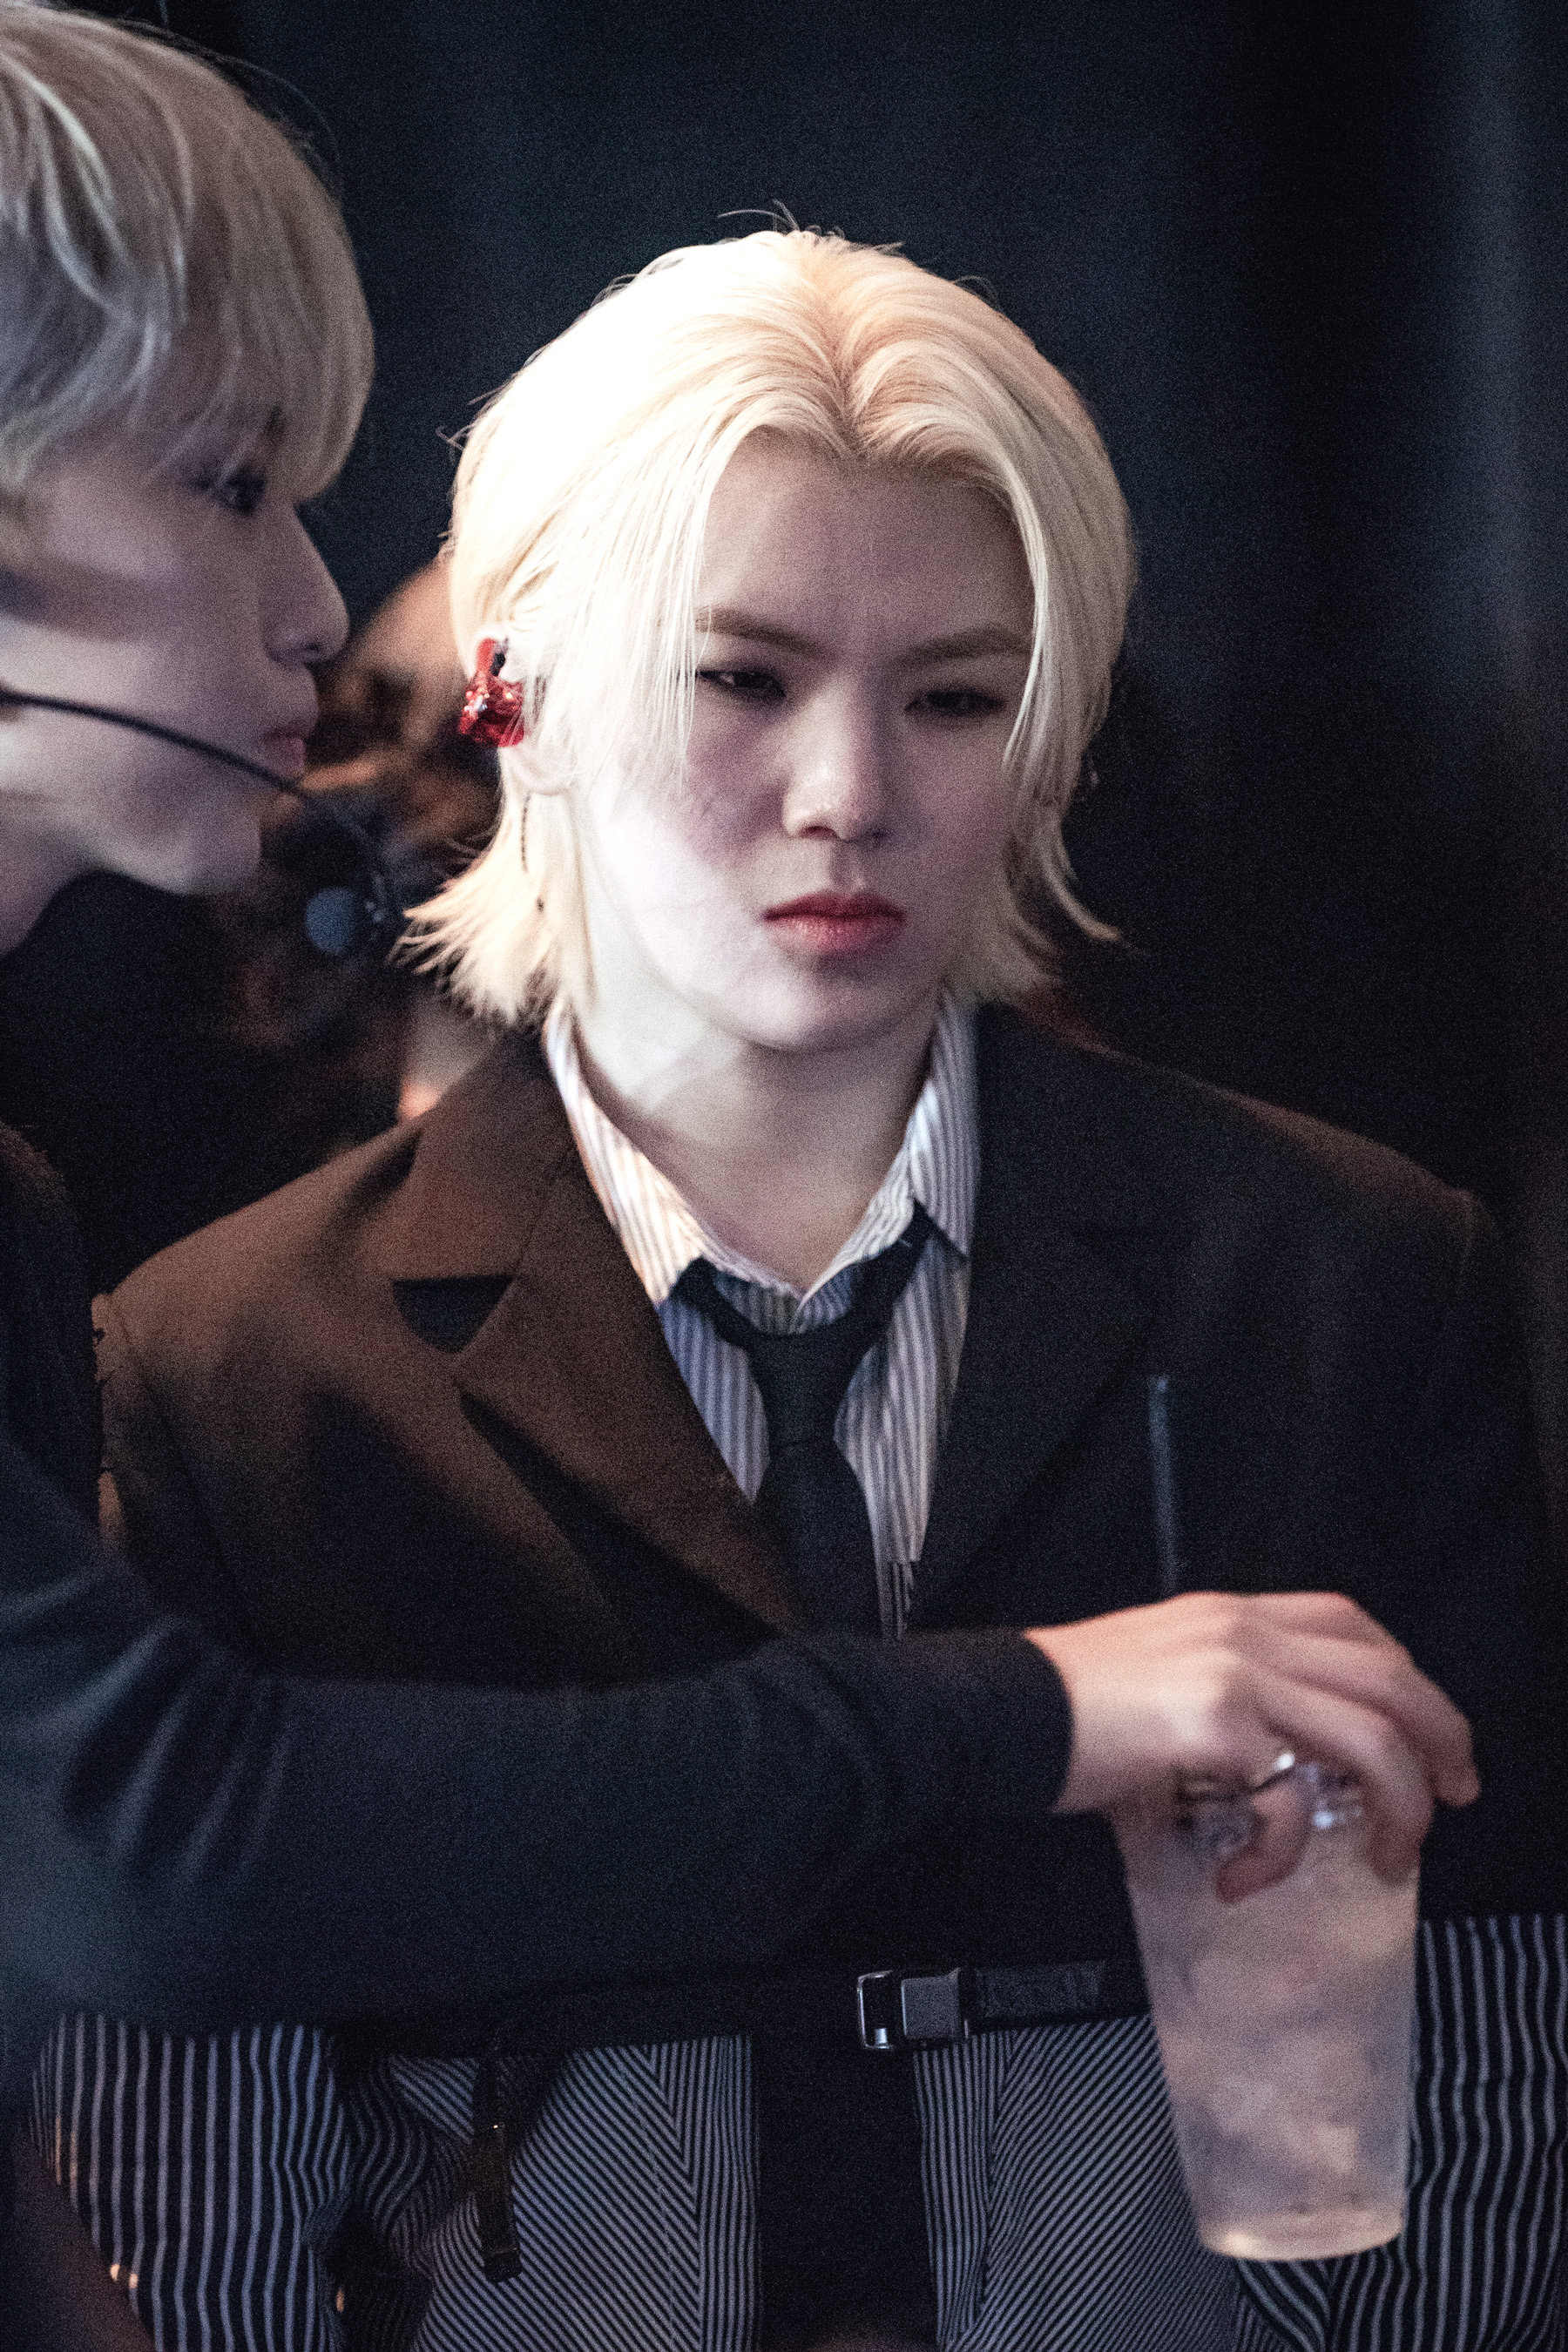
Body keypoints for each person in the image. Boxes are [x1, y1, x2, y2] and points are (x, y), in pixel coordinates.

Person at [0, 17, 1482, 2345]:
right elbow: (167, 1950)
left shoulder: (1345, 1279)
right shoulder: (217, 1363)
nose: (847, 796)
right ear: (515, 700)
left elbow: (1478, 2109)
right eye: (739, 679)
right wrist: (1025, 1717)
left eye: (957, 697)